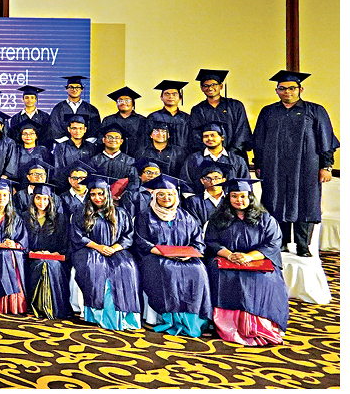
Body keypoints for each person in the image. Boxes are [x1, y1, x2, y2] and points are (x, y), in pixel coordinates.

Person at [252, 70, 339, 258]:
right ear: (277, 90)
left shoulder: (315, 110)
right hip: (275, 166)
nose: (287, 92)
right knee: (275, 201)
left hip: (306, 166)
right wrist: (258, 164)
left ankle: (303, 246)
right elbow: (259, 140)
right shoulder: (268, 112)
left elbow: (325, 139)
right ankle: (279, 242)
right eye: (282, 88)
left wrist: (326, 166)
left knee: (306, 202)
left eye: (292, 88)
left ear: (300, 89)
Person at [204, 179, 289, 346]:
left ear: (250, 197)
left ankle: (259, 326)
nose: (239, 200)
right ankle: (225, 325)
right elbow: (211, 241)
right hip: (226, 259)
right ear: (228, 198)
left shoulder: (265, 219)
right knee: (219, 273)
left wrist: (249, 257)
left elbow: (273, 244)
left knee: (265, 278)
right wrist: (229, 255)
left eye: (243, 196)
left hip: (257, 260)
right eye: (234, 196)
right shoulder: (218, 219)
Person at [132, 174, 212, 337]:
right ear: (154, 196)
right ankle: (167, 319)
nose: (166, 198)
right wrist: (164, 253)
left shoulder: (186, 216)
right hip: (155, 257)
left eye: (170, 194)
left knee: (199, 270)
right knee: (167, 270)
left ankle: (193, 321)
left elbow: (198, 241)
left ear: (176, 195)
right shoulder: (145, 216)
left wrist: (189, 254)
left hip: (185, 258)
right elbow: (141, 242)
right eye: (161, 194)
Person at [69, 173, 142, 331]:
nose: (97, 198)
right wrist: (98, 247)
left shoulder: (120, 213)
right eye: (93, 194)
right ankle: (96, 314)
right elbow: (77, 236)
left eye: (101, 193)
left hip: (116, 250)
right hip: (88, 249)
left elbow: (128, 236)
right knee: (95, 267)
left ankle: (124, 316)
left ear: (107, 194)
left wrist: (115, 247)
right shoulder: (81, 213)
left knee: (126, 268)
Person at [22, 183, 70, 321]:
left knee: (49, 264)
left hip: (55, 258)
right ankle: (34, 306)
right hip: (31, 258)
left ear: (50, 200)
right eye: (38, 198)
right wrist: (32, 252)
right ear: (33, 199)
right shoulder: (25, 217)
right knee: (40, 264)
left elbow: (65, 242)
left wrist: (55, 254)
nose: (41, 202)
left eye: (45, 199)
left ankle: (54, 308)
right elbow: (22, 239)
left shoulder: (60, 218)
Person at [0, 179, 28, 314]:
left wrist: (14, 244)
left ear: (9, 197)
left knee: (12, 254)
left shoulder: (16, 218)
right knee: (4, 254)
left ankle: (15, 303)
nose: (1, 198)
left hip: (12, 252)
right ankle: (1, 302)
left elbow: (23, 240)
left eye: (5, 195)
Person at [189, 69, 252, 161]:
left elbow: (242, 131)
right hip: (207, 158)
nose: (210, 88)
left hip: (235, 156)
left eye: (213, 84)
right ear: (202, 88)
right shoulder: (197, 110)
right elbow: (196, 135)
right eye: (206, 85)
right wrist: (211, 152)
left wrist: (230, 153)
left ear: (221, 86)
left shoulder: (235, 106)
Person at [179, 122, 249, 192]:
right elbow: (185, 183)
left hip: (230, 198)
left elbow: (244, 184)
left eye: (213, 135)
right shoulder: (194, 159)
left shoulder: (237, 160)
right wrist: (194, 198)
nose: (209, 138)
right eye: (205, 136)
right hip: (200, 198)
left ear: (222, 138)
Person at [147, 80, 196, 155]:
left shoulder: (186, 118)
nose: (170, 96)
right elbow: (147, 140)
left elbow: (191, 140)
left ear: (180, 97)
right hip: (159, 156)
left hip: (183, 156)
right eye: (167, 94)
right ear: (161, 97)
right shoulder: (153, 117)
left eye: (174, 94)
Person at [49, 75, 100, 141]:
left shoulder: (91, 109)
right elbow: (55, 128)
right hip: (63, 145)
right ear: (66, 89)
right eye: (71, 87)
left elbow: (95, 130)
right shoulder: (58, 108)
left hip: (87, 145)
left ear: (82, 89)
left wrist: (84, 144)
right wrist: (68, 144)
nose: (74, 90)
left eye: (77, 87)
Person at [100, 87, 146, 157]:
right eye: (120, 100)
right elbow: (101, 140)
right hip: (113, 158)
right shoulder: (108, 120)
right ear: (116, 103)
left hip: (137, 157)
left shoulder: (142, 120)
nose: (123, 103)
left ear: (133, 103)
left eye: (127, 100)